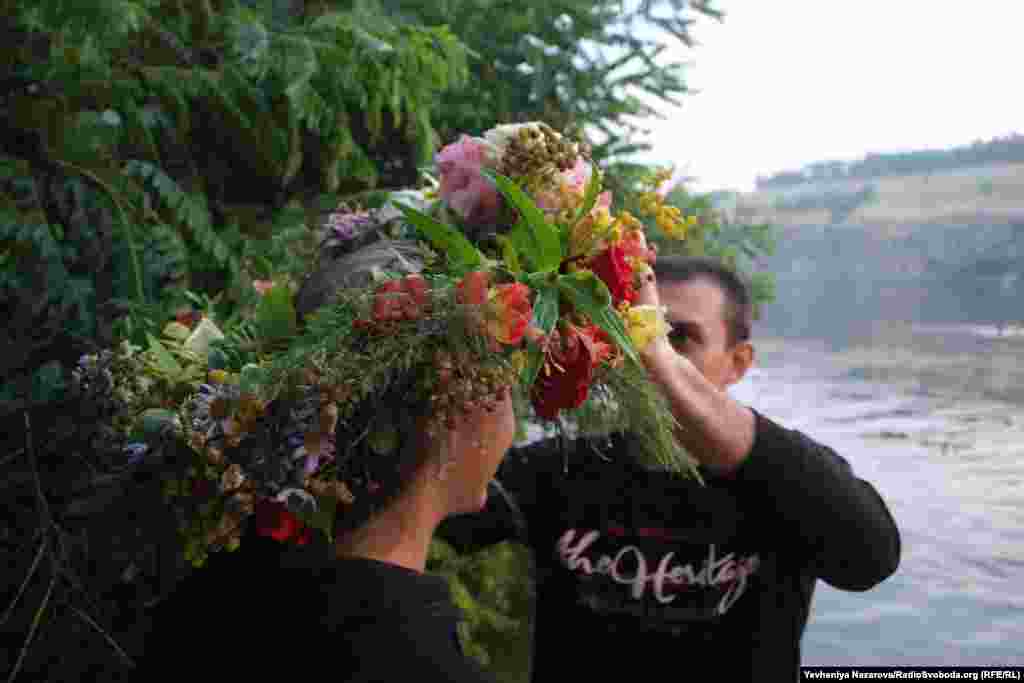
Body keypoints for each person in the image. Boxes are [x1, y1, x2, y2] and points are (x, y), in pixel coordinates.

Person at [438, 254, 902, 681]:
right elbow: (422, 522)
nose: (645, 357)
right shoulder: (559, 470)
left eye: (679, 338)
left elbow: (868, 560)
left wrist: (665, 364)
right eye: (632, 334)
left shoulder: (787, 477)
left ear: (738, 362)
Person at [134, 240, 519, 682]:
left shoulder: (212, 594)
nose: (511, 410)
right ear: (452, 407)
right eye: (503, 381)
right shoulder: (421, 662)